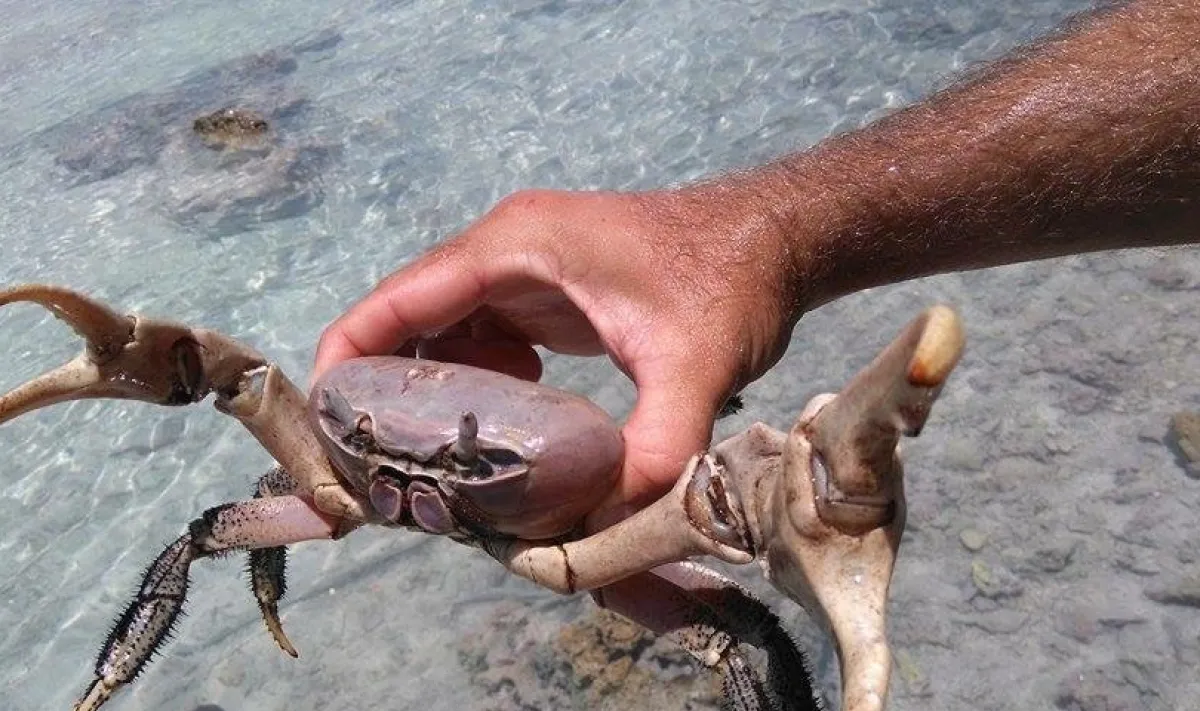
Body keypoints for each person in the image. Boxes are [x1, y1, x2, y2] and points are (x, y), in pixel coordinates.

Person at [314, 0, 1198, 530]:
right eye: (362, 443)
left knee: (739, 639)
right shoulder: (353, 445)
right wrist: (771, 233)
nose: (405, 484)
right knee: (213, 528)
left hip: (578, 512)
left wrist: (771, 240)